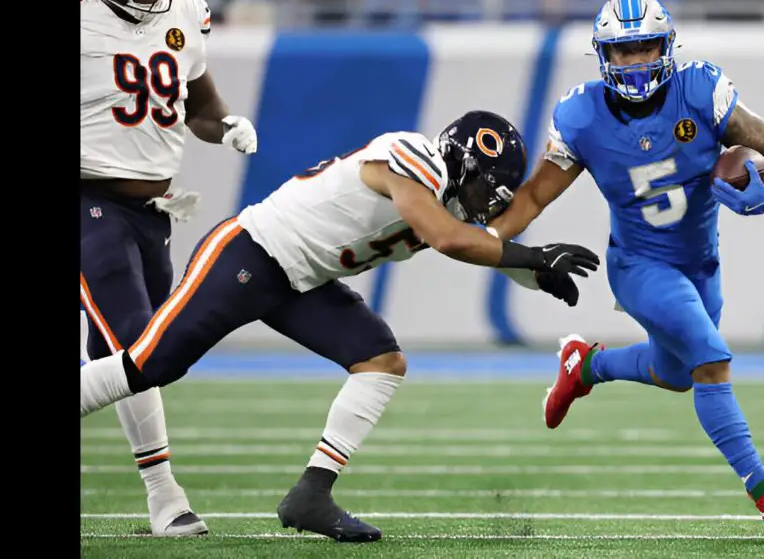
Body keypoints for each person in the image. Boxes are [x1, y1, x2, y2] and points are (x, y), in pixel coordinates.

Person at [79, 110, 601, 542]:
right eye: (489, 186)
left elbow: (467, 237)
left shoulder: (440, 196)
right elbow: (447, 239)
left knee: (381, 359)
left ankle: (312, 494)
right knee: (150, 364)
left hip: (300, 281)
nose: (491, 201)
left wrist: (536, 273)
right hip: (252, 253)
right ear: (463, 163)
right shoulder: (413, 157)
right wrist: (534, 255)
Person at [485, 0, 764, 533]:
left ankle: (585, 365)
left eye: (645, 47)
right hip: (640, 266)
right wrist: (478, 238)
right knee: (711, 361)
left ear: (666, 45)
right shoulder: (581, 115)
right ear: (604, 56)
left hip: (701, 265)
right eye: (623, 51)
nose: (636, 60)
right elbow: (532, 198)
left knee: (676, 374)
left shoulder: (701, 91)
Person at [81, 0, 259, 537]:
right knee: (138, 346)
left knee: (127, 355)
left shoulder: (185, 13)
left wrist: (225, 125)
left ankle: (163, 495)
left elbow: (199, 107)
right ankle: (165, 496)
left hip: (154, 212)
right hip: (88, 200)